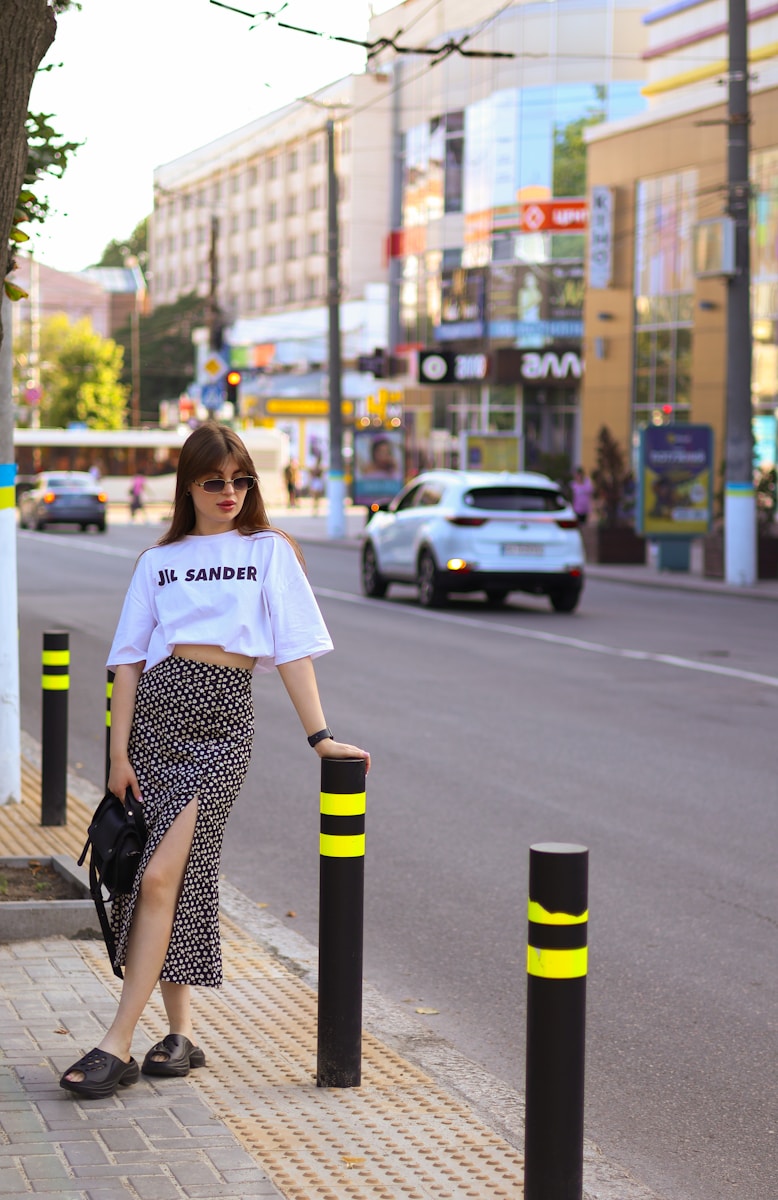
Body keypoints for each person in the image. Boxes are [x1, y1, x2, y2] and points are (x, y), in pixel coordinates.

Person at [60, 421, 370, 1100]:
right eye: (213, 481)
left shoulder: (269, 550)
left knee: (161, 873)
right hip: (158, 722)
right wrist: (117, 753)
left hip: (223, 723)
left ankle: (116, 1041)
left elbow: (291, 649)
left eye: (240, 480)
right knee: (179, 876)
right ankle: (178, 1035)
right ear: (188, 486)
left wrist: (321, 737)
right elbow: (128, 662)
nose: (229, 492)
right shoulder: (157, 561)